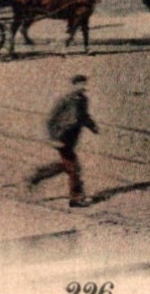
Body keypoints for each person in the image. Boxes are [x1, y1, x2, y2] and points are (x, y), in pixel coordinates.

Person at [28, 75, 99, 208]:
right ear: (73, 85)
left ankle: (37, 176)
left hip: (73, 137)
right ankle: (76, 199)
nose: (83, 87)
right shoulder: (64, 100)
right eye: (80, 84)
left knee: (67, 166)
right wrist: (52, 139)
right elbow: (50, 120)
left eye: (84, 84)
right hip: (62, 137)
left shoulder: (83, 100)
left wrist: (93, 126)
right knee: (74, 168)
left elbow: (84, 116)